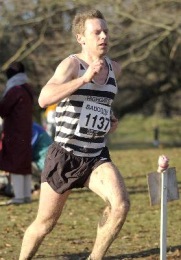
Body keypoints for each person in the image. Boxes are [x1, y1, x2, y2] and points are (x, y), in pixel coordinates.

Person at [19, 9, 130, 260]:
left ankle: (94, 258)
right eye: (97, 32)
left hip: (95, 156)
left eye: (106, 31)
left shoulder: (115, 69)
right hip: (65, 156)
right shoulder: (72, 64)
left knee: (120, 204)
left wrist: (108, 116)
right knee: (45, 224)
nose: (104, 36)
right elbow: (44, 98)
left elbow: (98, 102)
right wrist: (83, 79)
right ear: (81, 38)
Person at [0, 61, 34, 205]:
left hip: (15, 131)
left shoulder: (15, 89)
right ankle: (26, 195)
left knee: (15, 163)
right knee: (24, 164)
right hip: (26, 130)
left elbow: (3, 109)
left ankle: (19, 196)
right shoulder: (27, 88)